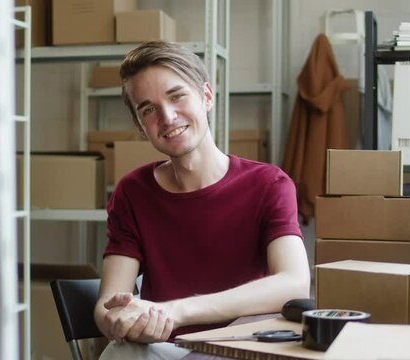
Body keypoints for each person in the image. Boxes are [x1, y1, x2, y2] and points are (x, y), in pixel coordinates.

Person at [93, 41, 310, 360]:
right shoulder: (132, 191)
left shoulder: (269, 184)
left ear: (206, 96)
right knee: (118, 353)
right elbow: (107, 302)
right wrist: (118, 319)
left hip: (242, 346)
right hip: (165, 348)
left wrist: (175, 312)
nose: (167, 117)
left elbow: (294, 284)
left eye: (177, 96)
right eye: (148, 109)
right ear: (141, 126)